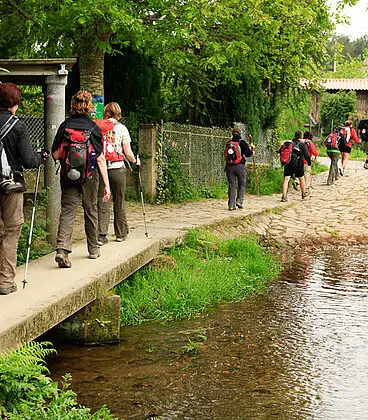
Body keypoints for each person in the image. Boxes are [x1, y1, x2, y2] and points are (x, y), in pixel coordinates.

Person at [52, 91, 110, 268]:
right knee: (90, 210)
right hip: (89, 176)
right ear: (89, 107)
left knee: (68, 210)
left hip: (68, 175)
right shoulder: (93, 128)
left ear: (72, 105)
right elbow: (100, 157)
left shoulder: (65, 126)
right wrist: (107, 185)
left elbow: (55, 154)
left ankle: (62, 249)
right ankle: (93, 249)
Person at [0, 83, 46, 295]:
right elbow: (28, 160)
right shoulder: (18, 126)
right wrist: (40, 157)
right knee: (11, 230)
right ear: (14, 103)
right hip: (11, 185)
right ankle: (5, 281)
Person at [96, 102, 136, 245]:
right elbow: (128, 152)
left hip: (102, 169)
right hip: (118, 168)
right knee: (119, 201)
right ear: (118, 113)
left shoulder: (99, 127)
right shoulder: (122, 129)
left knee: (103, 201)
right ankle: (120, 233)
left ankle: (101, 235)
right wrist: (135, 161)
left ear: (106, 112)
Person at [224, 129, 254, 211]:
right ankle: (239, 201)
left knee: (232, 185)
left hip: (229, 166)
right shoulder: (242, 142)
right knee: (242, 183)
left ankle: (231, 205)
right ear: (240, 134)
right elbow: (248, 154)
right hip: (239, 166)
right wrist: (252, 150)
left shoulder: (228, 143)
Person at [279, 130, 311, 202]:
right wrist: (309, 162)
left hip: (288, 163)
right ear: (301, 136)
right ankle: (303, 194)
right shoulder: (302, 144)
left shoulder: (288, 143)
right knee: (301, 178)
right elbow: (306, 155)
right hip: (298, 164)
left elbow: (280, 151)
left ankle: (284, 196)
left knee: (286, 179)